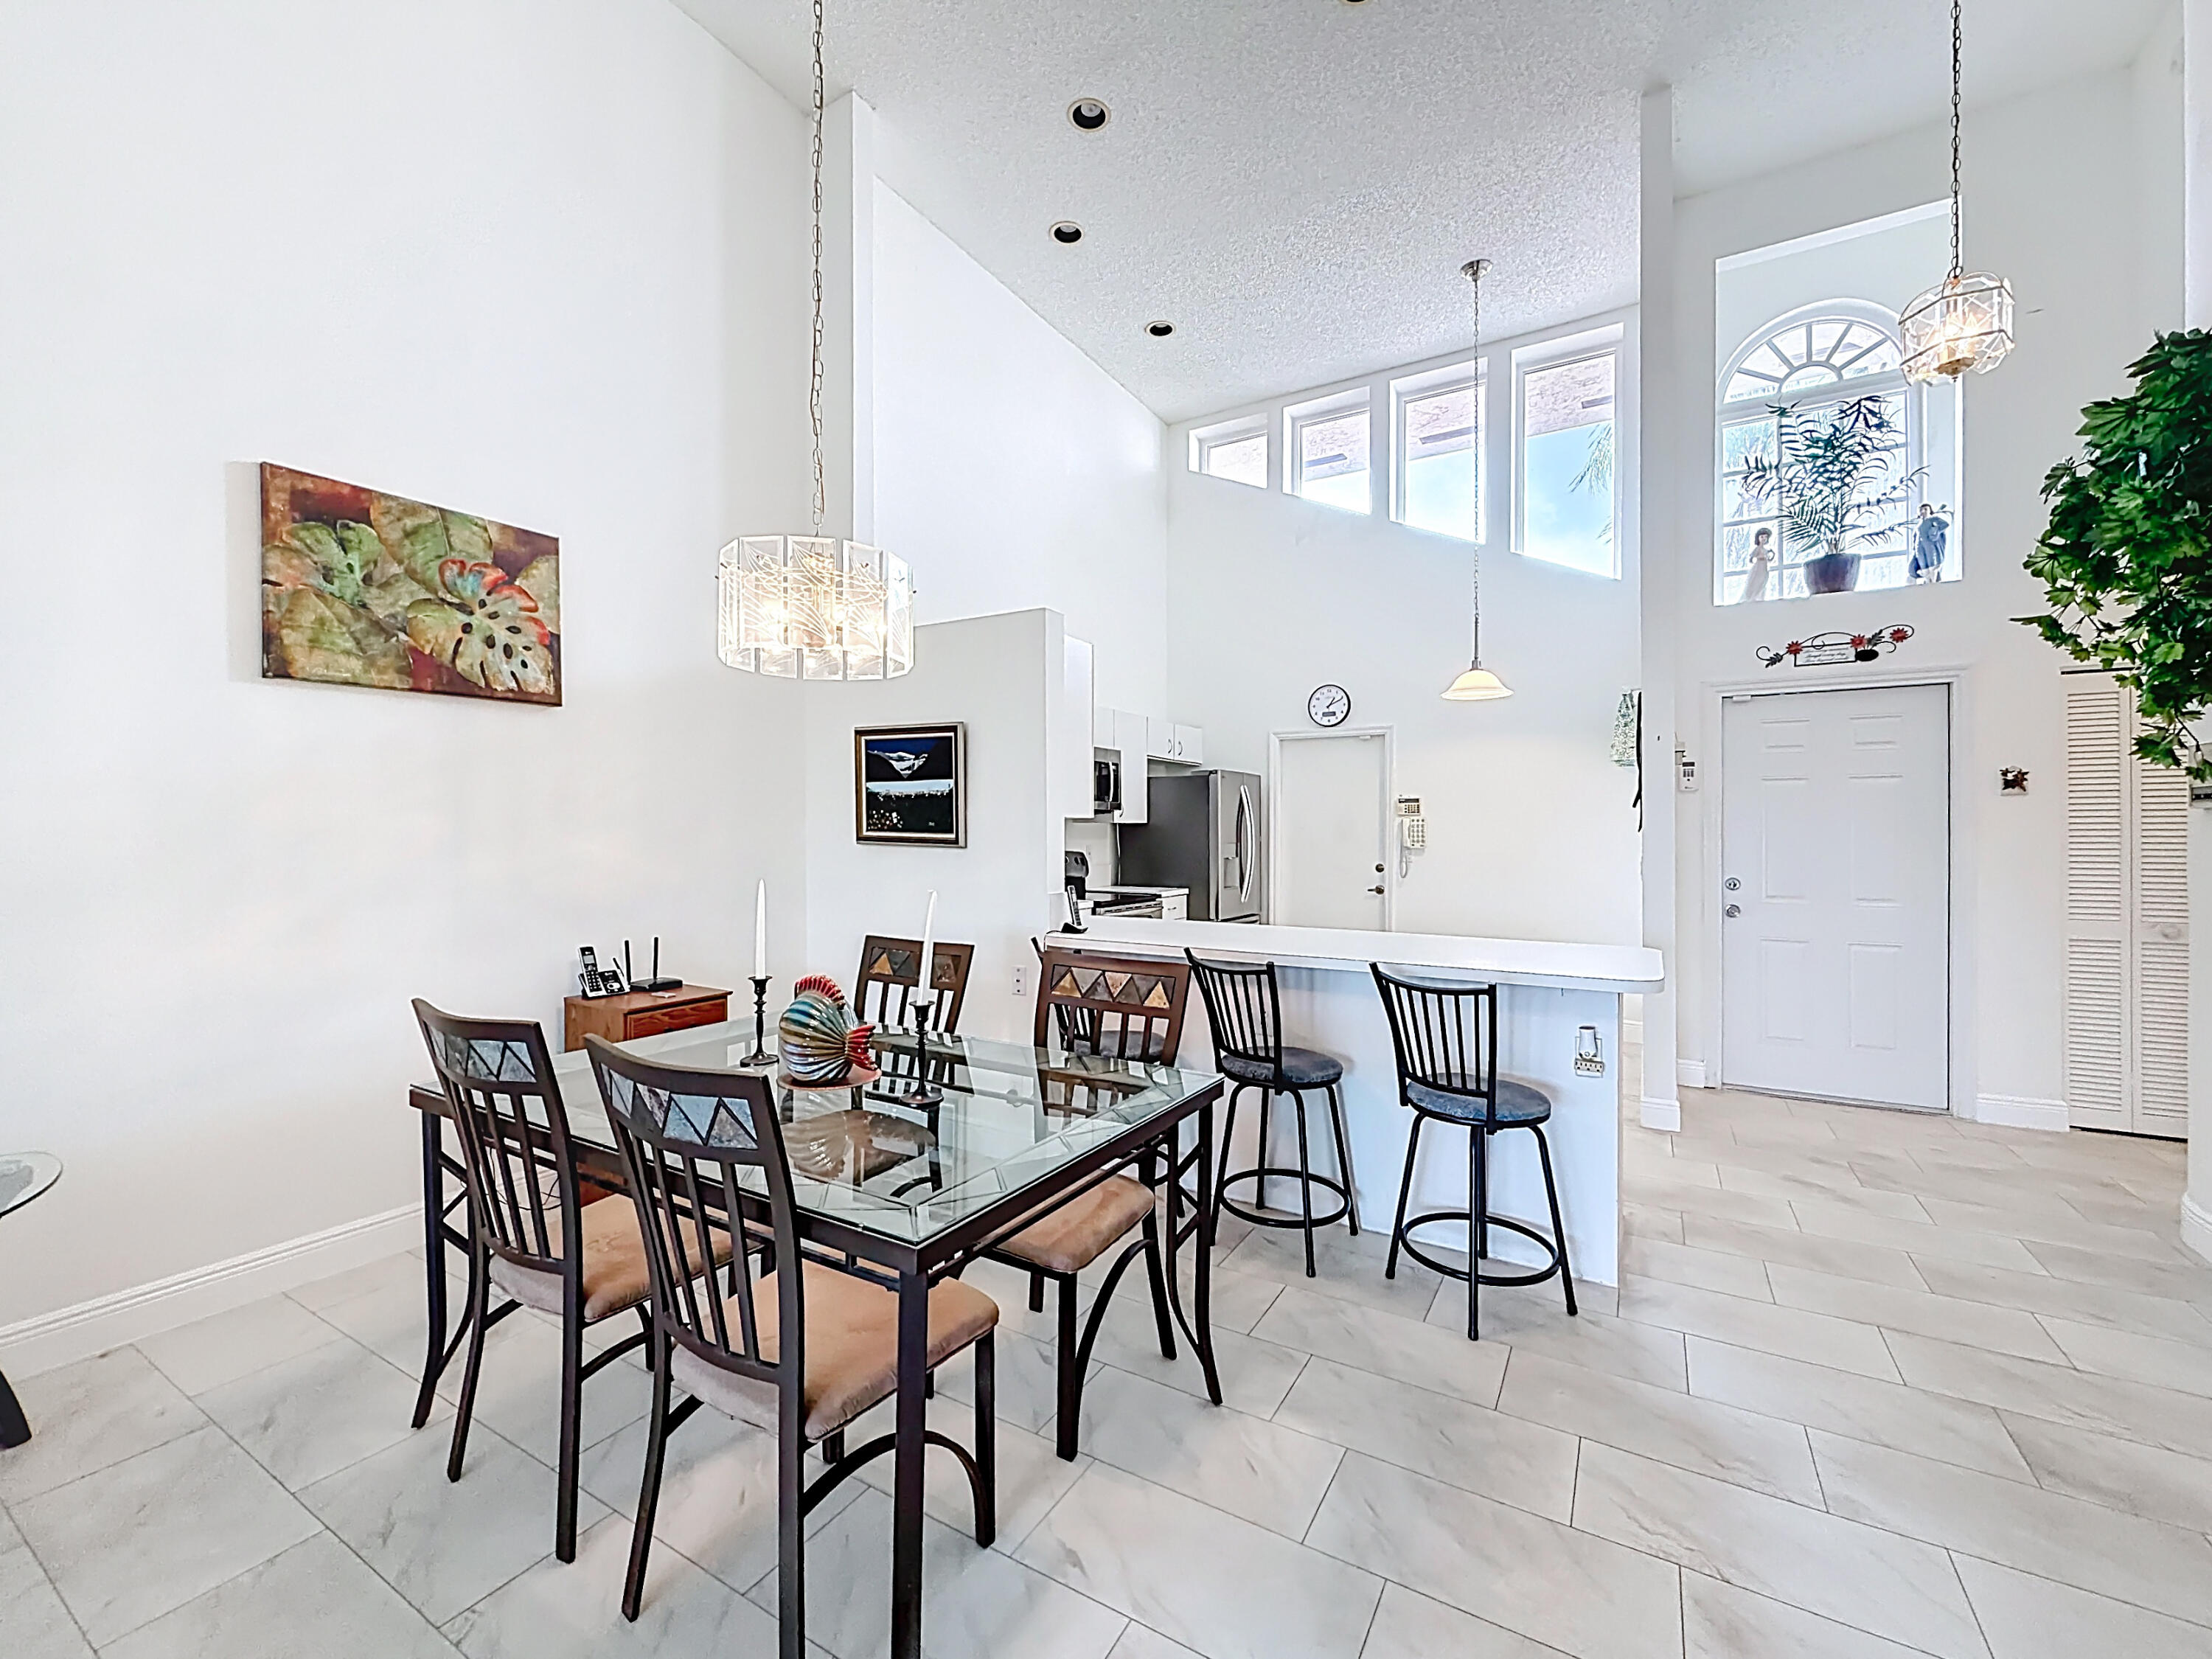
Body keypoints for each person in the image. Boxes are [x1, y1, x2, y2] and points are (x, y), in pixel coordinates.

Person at [1910, 502, 1949, 583]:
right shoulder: (1918, 525)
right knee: (1923, 564)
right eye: (1921, 510)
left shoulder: (1933, 519)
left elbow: (1945, 524)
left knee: (1932, 563)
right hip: (1920, 547)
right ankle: (1927, 581)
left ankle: (1933, 581)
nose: (1923, 511)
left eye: (1925, 509)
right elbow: (1915, 537)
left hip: (1930, 546)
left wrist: (1935, 530)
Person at [1740, 526, 1775, 602]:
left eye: (1766, 537)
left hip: (1764, 567)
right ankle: (1753, 596)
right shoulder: (1758, 549)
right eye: (1762, 537)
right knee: (1756, 581)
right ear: (1758, 538)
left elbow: (1769, 560)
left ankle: (1760, 596)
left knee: (1763, 581)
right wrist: (1758, 559)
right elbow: (1752, 558)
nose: (1764, 539)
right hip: (1758, 567)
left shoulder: (1765, 550)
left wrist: (1772, 554)